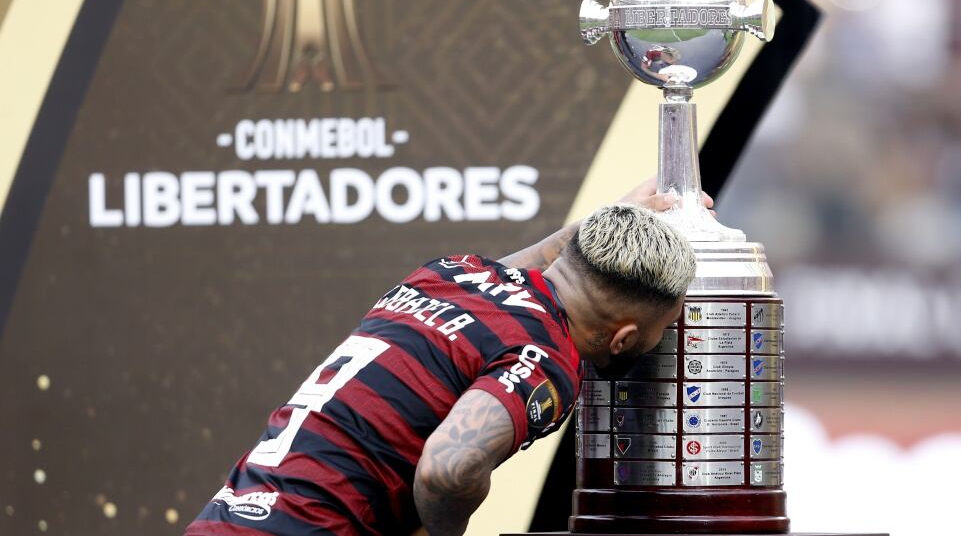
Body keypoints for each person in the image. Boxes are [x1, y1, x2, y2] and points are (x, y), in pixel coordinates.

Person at [185, 180, 703, 536]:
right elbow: (448, 469)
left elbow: (541, 271)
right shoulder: (545, 356)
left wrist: (607, 222)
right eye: (663, 328)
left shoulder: (451, 274)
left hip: (224, 520)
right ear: (623, 338)